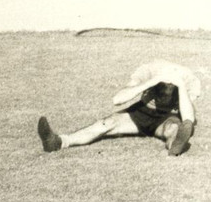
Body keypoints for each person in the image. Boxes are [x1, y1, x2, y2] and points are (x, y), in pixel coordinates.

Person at [37, 61, 201, 157]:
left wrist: (179, 85)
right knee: (107, 123)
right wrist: (152, 82)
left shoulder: (188, 79)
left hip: (167, 118)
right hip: (141, 112)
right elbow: (118, 99)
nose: (165, 93)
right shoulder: (149, 70)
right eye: (163, 88)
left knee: (175, 129)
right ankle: (59, 141)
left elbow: (189, 118)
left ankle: (174, 147)